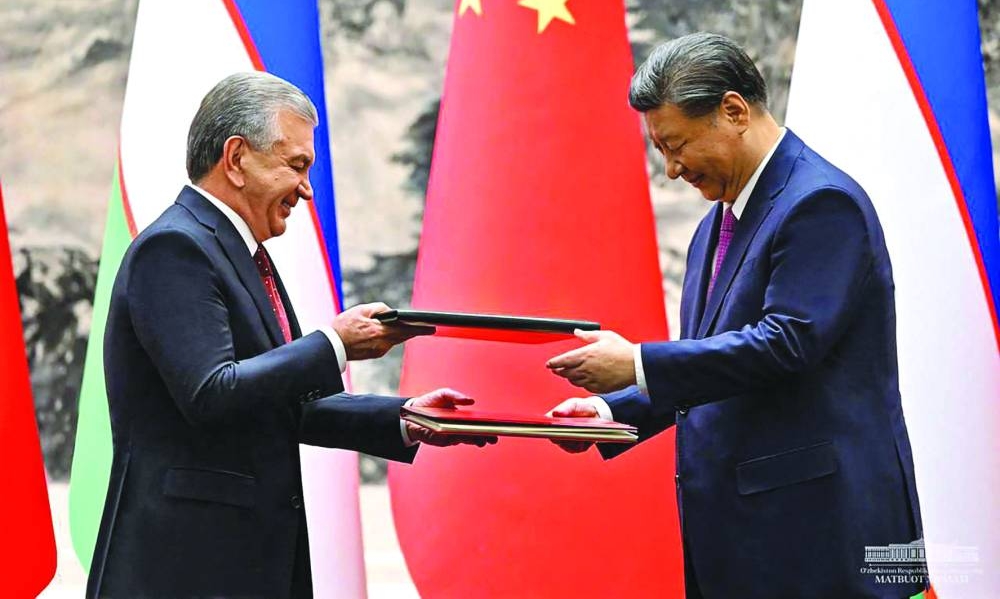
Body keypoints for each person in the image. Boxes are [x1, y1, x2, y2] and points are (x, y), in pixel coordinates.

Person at [545, 33, 924, 599]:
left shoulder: (821, 203)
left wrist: (637, 364)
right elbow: (717, 370)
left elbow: (784, 344)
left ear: (733, 111)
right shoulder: (714, 226)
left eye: (677, 145)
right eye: (660, 152)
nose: (672, 170)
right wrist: (609, 409)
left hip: (823, 535)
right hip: (744, 539)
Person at [86, 71, 492, 599]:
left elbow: (284, 404)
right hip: (184, 566)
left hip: (247, 564)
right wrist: (335, 343)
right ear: (236, 158)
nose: (306, 188)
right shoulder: (175, 249)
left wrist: (408, 418)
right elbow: (212, 393)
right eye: (296, 165)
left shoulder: (243, 254)